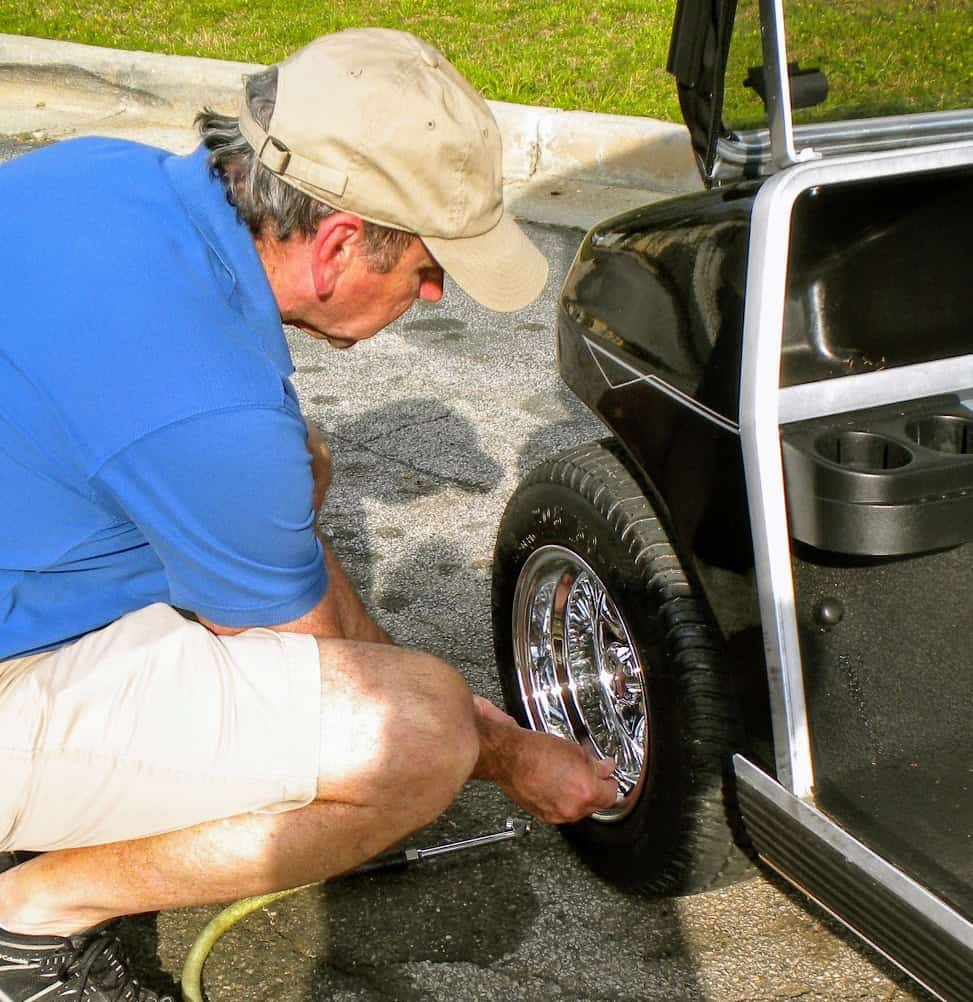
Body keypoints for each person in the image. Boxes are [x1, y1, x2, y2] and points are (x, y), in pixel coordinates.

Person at [0, 27, 618, 1002]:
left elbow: (226, 458)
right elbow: (349, 668)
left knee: (298, 464)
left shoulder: (101, 175)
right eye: (424, 264)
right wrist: (505, 751)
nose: (433, 289)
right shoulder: (208, 408)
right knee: (416, 739)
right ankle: (29, 926)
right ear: (335, 247)